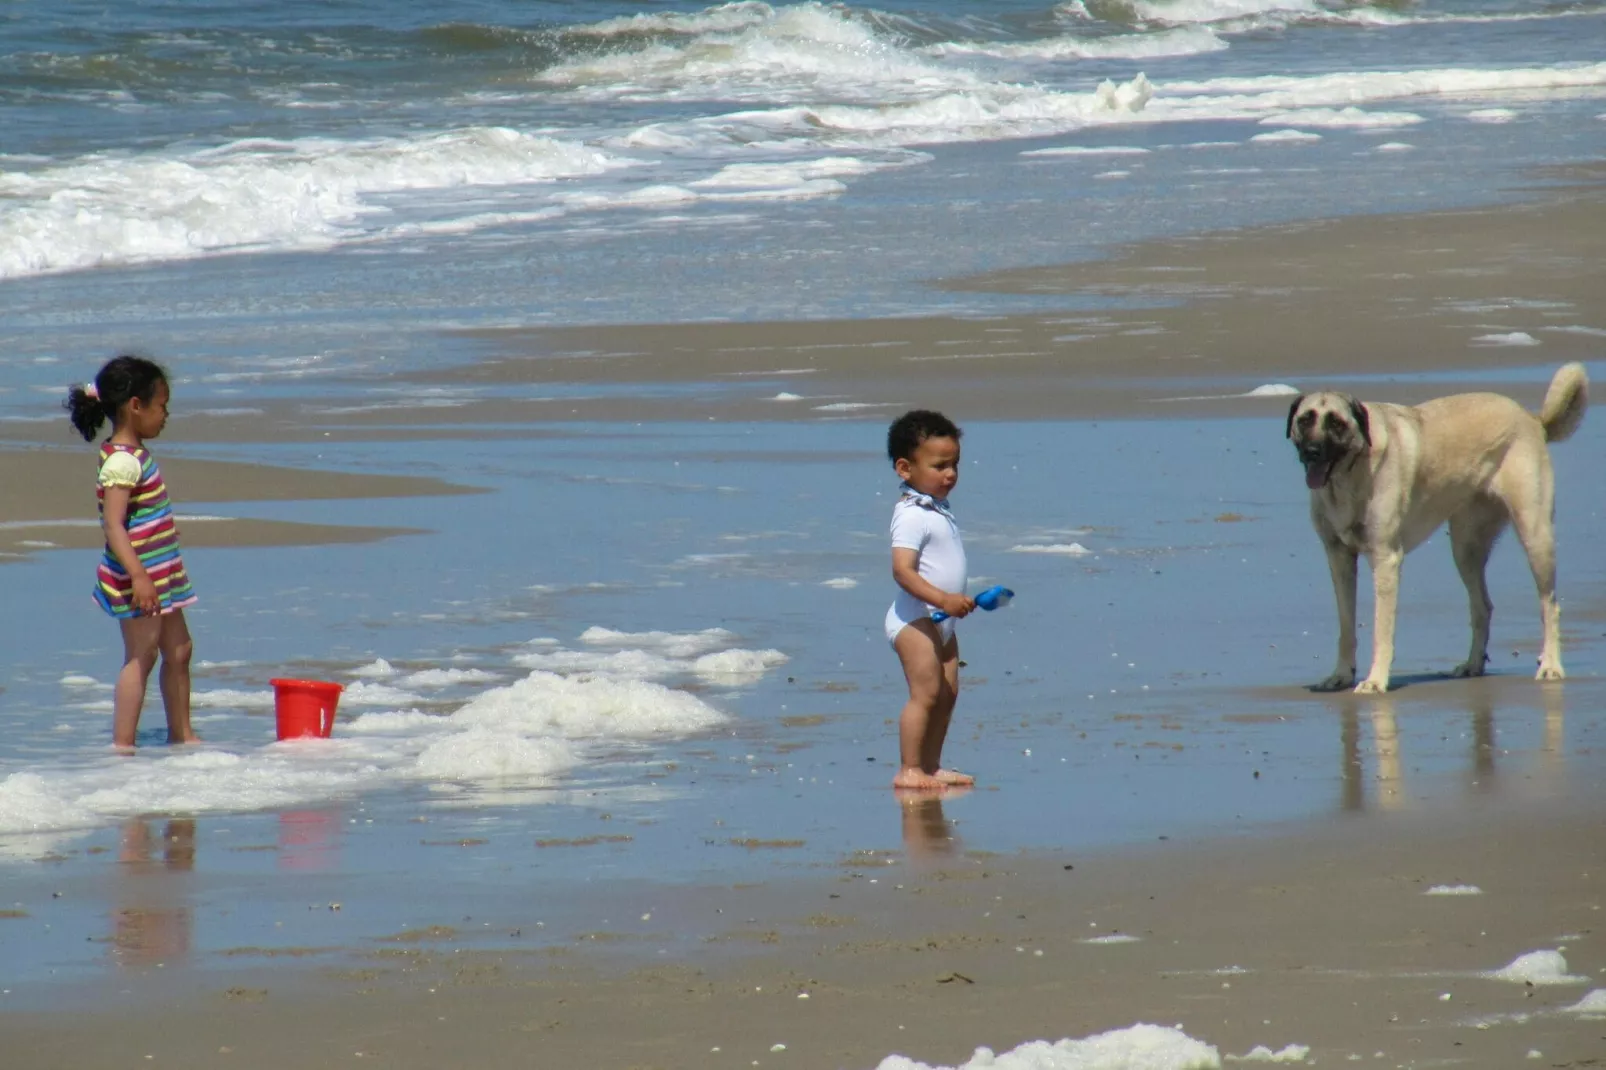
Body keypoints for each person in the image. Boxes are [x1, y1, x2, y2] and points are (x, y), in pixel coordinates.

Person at [64, 356, 198, 748]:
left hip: (162, 574)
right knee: (142, 654)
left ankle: (182, 734)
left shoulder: (134, 455)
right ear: (135, 406)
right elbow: (113, 524)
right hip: (139, 576)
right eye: (162, 406)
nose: (166, 415)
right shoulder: (122, 461)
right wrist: (139, 576)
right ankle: (123, 746)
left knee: (180, 649)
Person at [884, 409, 975, 790]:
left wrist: (955, 603)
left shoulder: (938, 509)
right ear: (905, 468)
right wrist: (942, 598)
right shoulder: (911, 514)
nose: (950, 474)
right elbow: (902, 570)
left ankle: (931, 765)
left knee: (947, 693)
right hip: (914, 619)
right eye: (939, 465)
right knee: (925, 694)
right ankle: (909, 769)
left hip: (941, 621)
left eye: (954, 464)